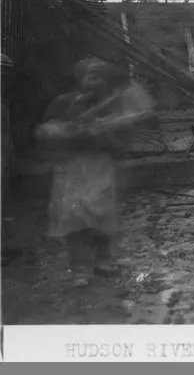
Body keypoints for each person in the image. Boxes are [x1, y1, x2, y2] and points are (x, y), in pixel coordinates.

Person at [35, 58, 155, 288]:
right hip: (72, 167)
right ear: (79, 77)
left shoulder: (113, 105)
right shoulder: (64, 102)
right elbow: (45, 130)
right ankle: (80, 266)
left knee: (103, 214)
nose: (96, 79)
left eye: (101, 74)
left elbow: (123, 136)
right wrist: (65, 131)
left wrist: (108, 129)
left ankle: (104, 259)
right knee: (75, 218)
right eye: (91, 73)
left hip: (100, 165)